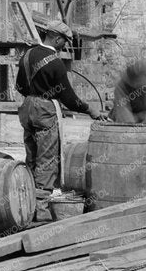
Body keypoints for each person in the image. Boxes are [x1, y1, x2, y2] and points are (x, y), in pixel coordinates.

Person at [16, 34, 106, 195]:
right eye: (65, 41)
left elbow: (19, 86)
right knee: (47, 161)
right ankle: (41, 209)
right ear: (57, 39)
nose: (65, 45)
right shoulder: (56, 63)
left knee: (31, 158)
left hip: (27, 107)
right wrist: (90, 110)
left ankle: (27, 203)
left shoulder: (27, 55)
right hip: (44, 110)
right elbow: (69, 99)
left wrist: (33, 95)